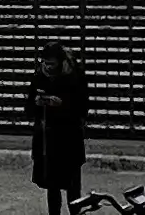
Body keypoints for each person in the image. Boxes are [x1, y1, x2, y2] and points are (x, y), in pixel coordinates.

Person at [29, 43, 89, 214]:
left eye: (52, 64)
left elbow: (83, 107)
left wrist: (62, 104)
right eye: (45, 63)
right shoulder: (40, 75)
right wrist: (37, 103)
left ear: (60, 62)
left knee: (72, 187)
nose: (48, 67)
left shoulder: (75, 76)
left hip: (69, 138)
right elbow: (28, 107)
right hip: (47, 139)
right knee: (51, 187)